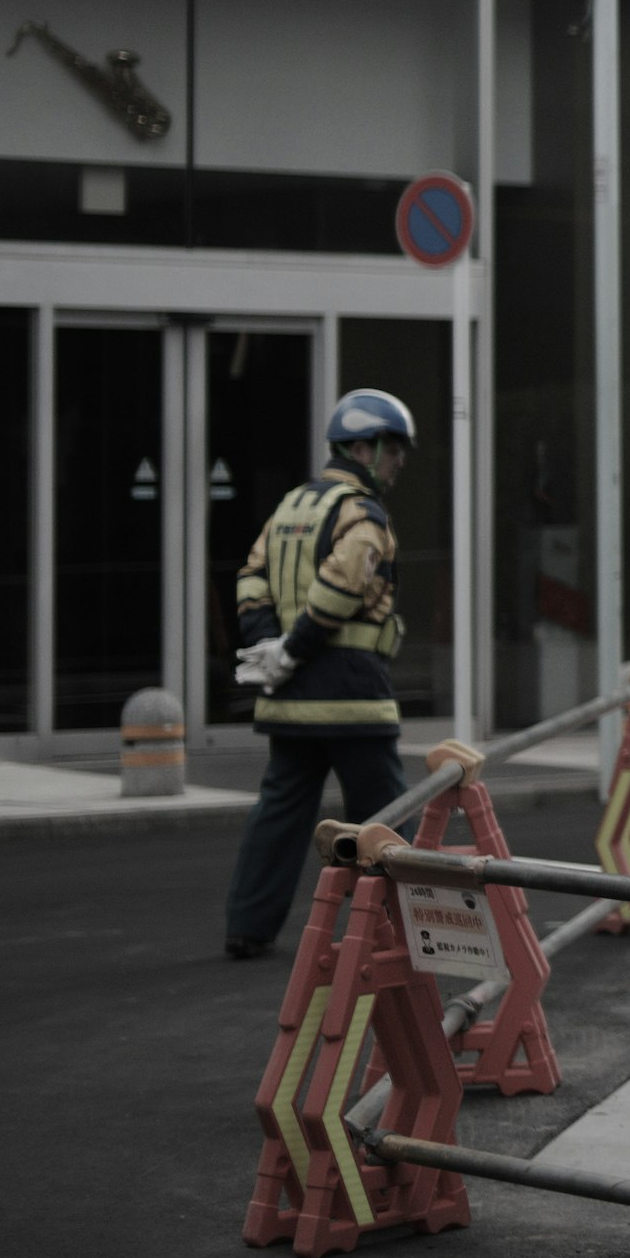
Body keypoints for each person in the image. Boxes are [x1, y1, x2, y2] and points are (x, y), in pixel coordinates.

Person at [220, 389, 416, 959]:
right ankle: (412, 927)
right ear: (363, 446)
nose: (400, 461)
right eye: (394, 448)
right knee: (388, 817)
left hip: (290, 696)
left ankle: (247, 927)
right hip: (351, 693)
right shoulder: (362, 513)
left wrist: (270, 649)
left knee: (279, 810)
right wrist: (297, 647)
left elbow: (251, 577)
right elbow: (342, 585)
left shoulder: (290, 507)